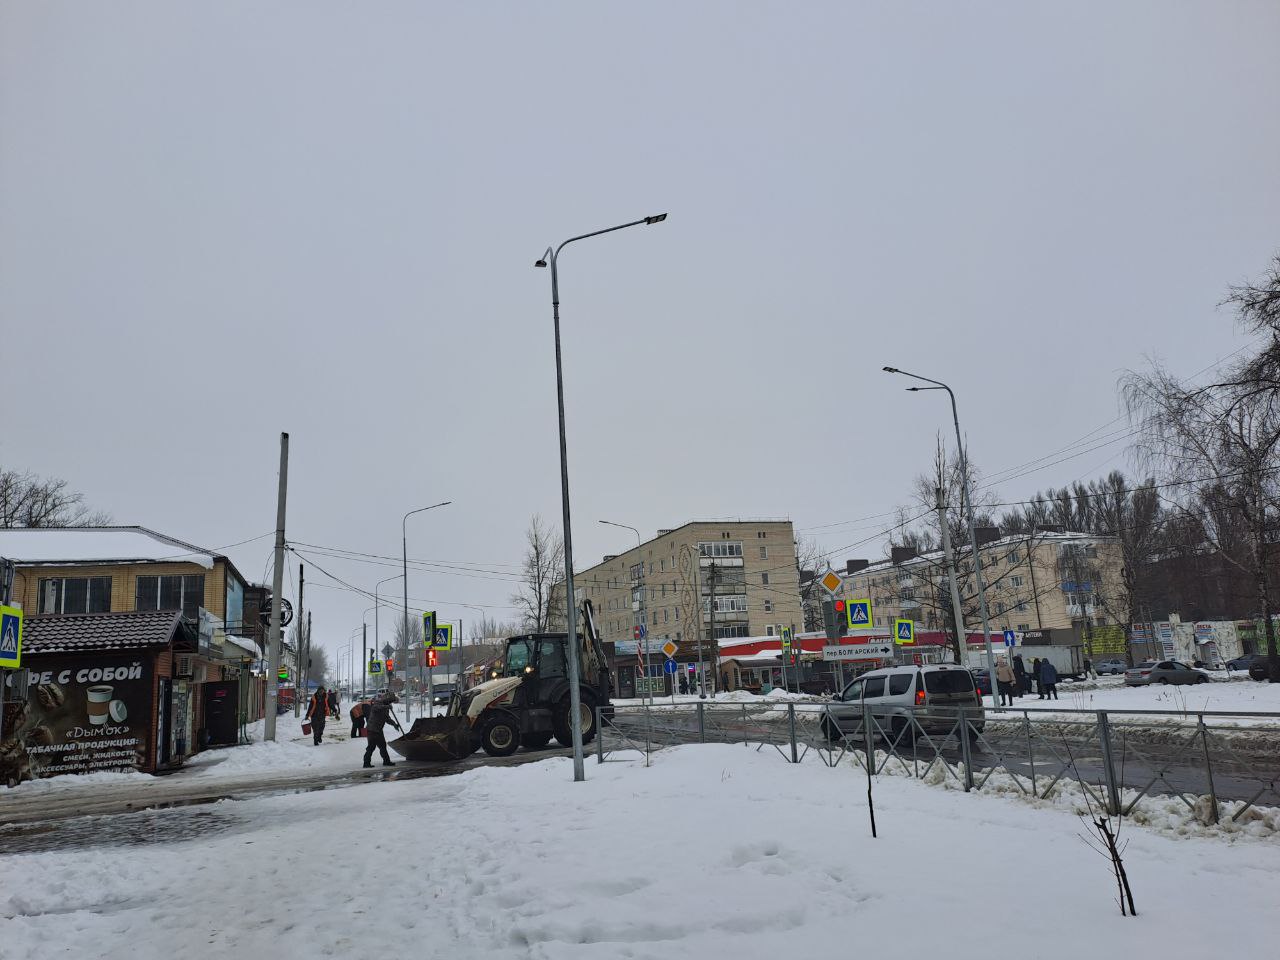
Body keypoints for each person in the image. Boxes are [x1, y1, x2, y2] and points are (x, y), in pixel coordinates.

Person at [363, 693, 400, 768]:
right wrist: (386, 707)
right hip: (372, 729)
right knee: (371, 747)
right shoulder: (378, 703)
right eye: (390, 701)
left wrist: (394, 724)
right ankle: (366, 763)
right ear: (387, 699)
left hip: (379, 730)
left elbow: (387, 719)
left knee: (383, 746)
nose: (390, 703)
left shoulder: (386, 707)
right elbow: (375, 708)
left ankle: (386, 761)